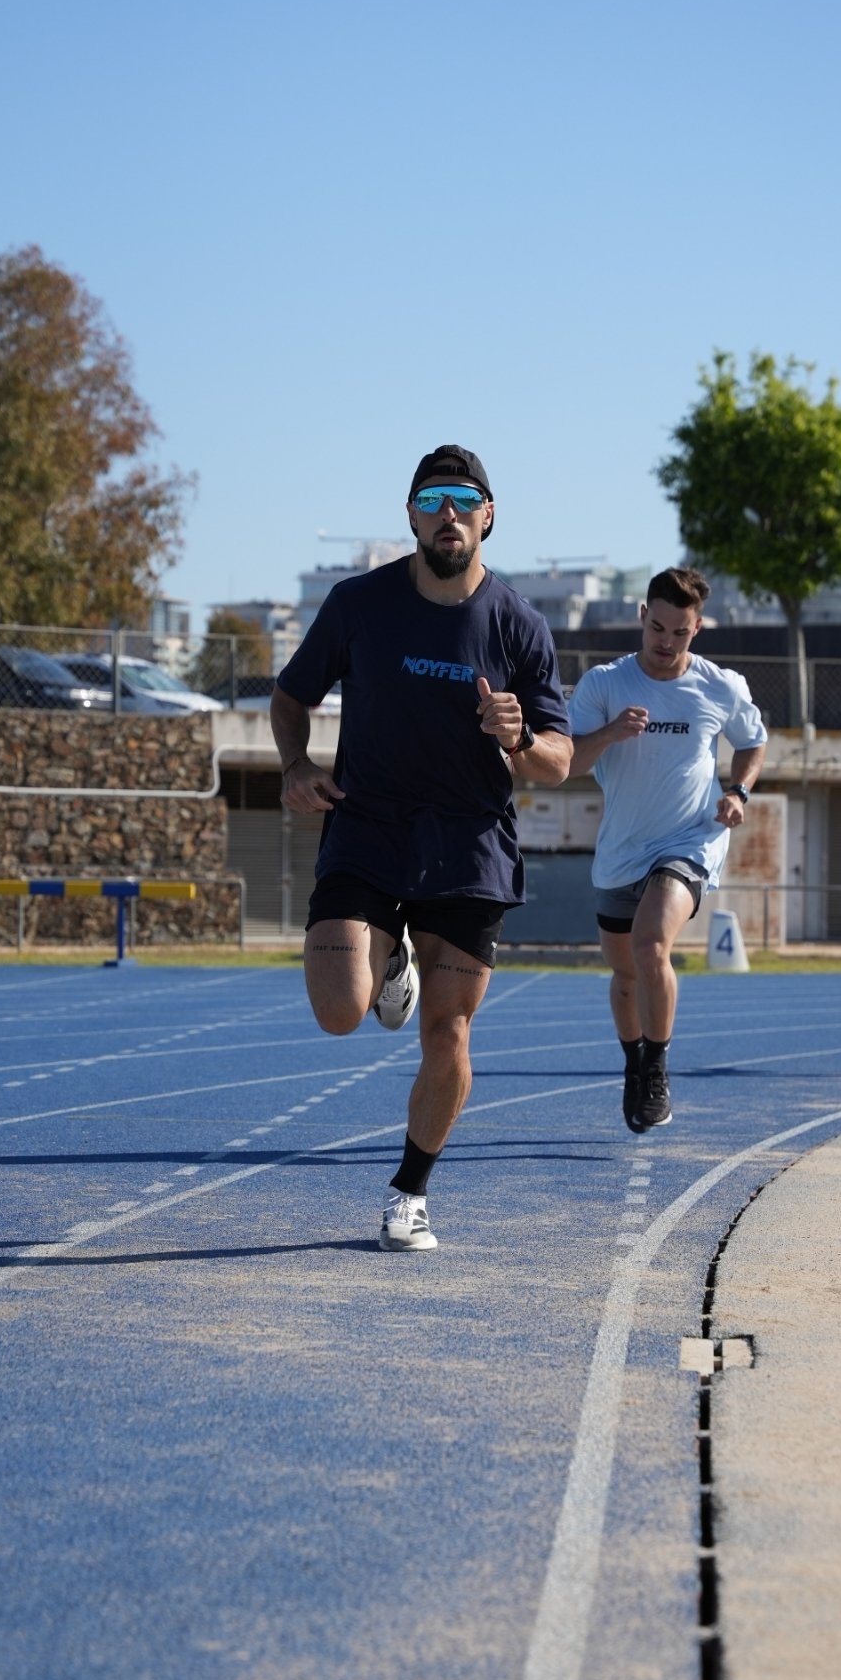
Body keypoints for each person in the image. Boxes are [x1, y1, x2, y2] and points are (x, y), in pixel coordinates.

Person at [269, 444, 571, 1251]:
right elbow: (290, 695)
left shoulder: (518, 624)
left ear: (488, 516)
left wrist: (517, 737)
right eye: (432, 499)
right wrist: (296, 764)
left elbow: (559, 760)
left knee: (449, 1034)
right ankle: (387, 958)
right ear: (409, 514)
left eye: (463, 500)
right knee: (338, 1012)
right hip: (366, 829)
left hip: (468, 847)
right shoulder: (356, 603)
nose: (448, 514)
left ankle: (410, 1190)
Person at [567, 567, 768, 1133]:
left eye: (679, 632)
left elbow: (753, 742)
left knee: (652, 943)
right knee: (626, 974)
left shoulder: (719, 686)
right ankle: (634, 1062)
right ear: (641, 617)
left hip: (689, 841)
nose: (665, 641)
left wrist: (738, 791)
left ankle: (656, 1068)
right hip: (621, 850)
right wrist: (609, 734)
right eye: (657, 627)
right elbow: (570, 763)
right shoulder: (604, 685)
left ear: (697, 628)